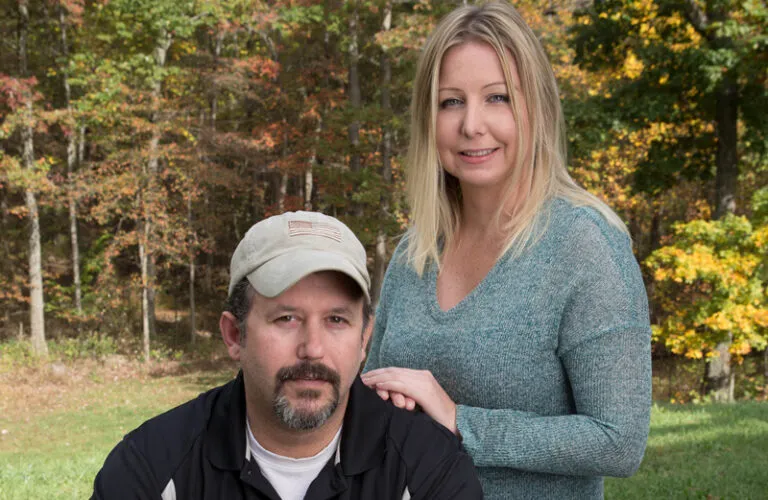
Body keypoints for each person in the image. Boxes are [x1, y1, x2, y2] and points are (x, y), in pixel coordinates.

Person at [361, 2, 652, 499]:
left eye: (497, 98)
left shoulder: (583, 245)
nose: (472, 125)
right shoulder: (417, 248)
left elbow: (619, 441)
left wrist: (460, 421)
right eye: (451, 101)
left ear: (535, 106)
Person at [91, 211, 482, 500]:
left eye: (336, 320)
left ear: (365, 339)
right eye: (287, 318)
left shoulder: (428, 468)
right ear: (234, 335)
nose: (312, 348)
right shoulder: (153, 466)